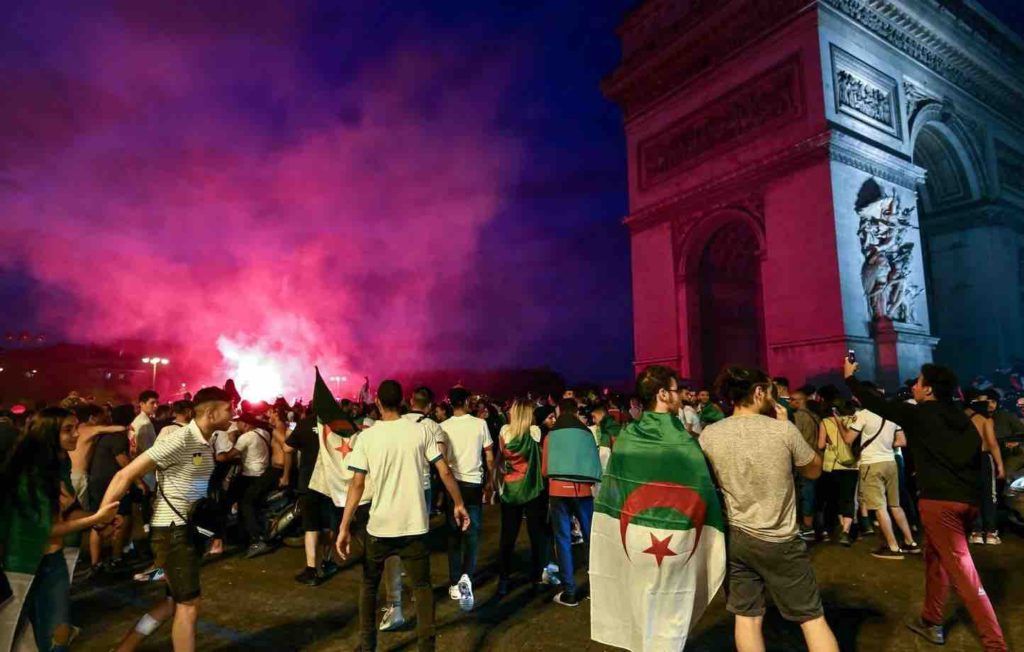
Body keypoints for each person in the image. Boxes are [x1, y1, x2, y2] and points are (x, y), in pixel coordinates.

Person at [845, 359, 1007, 650]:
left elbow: (876, 403)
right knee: (935, 559)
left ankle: (995, 644)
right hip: (967, 503)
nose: (914, 387)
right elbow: (974, 459)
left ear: (929, 389)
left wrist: (851, 379)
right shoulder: (963, 418)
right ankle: (931, 621)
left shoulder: (919, 414)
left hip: (939, 505)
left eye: (918, 383)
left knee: (965, 576)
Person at [700, 367, 838, 652]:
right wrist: (787, 427)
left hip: (736, 538)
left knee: (747, 618)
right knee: (811, 618)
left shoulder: (710, 434)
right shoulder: (782, 430)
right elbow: (814, 470)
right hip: (780, 538)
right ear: (758, 392)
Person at [336, 379, 470, 652]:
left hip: (379, 527)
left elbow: (357, 485)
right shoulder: (420, 431)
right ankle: (426, 647)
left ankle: (367, 645)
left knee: (369, 585)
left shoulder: (367, 437)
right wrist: (458, 503)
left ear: (377, 402)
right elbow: (444, 470)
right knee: (422, 587)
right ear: (402, 402)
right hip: (414, 526)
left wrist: (344, 526)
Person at [101, 386, 232, 652]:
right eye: (228, 409)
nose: (233, 413)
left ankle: (123, 649)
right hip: (172, 531)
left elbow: (194, 483)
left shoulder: (203, 442)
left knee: (174, 602)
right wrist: (102, 517)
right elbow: (125, 474)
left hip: (186, 530)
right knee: (188, 605)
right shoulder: (180, 439)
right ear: (210, 413)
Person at [0, 407, 119, 652]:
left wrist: (100, 522)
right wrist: (95, 518)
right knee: (12, 638)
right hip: (20, 564)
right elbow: (44, 529)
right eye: (68, 429)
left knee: (57, 639)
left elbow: (68, 510)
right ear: (48, 433)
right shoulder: (29, 472)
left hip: (53, 563)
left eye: (75, 427)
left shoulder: (60, 463)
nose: (77, 434)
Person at [543, 397, 602, 607]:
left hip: (558, 491)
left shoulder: (551, 436)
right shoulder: (587, 434)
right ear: (576, 412)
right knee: (590, 538)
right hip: (583, 491)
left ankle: (569, 592)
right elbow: (595, 466)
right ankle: (596, 588)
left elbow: (545, 469)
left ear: (559, 411)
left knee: (563, 539)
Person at [439, 387, 493, 611]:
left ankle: (454, 582)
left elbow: (441, 459)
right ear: (467, 401)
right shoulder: (480, 424)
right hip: (473, 483)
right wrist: (491, 480)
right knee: (472, 532)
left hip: (452, 484)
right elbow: (489, 455)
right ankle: (466, 576)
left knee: (453, 534)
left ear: (451, 403)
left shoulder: (443, 427)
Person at [849, 407, 920, 558]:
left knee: (879, 507)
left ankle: (892, 547)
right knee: (895, 505)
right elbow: (902, 441)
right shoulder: (892, 414)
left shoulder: (863, 414)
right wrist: (885, 445)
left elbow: (848, 439)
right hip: (890, 462)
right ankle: (910, 542)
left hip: (871, 464)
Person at [495, 400, 547, 597]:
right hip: (532, 487)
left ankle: (504, 579)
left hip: (510, 488)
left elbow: (501, 458)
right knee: (536, 535)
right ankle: (536, 578)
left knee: (507, 536)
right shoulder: (535, 432)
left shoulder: (504, 432)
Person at [817, 397, 859, 547]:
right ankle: (846, 531)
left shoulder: (825, 422)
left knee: (834, 498)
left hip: (832, 465)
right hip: (851, 465)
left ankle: (836, 527)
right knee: (848, 498)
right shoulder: (854, 420)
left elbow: (820, 445)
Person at [964, 399, 1005, 545]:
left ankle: (976, 532)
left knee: (974, 496)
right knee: (989, 495)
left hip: (969, 459)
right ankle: (991, 532)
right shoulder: (986, 420)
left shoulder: (965, 419)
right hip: (984, 458)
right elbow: (992, 444)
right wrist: (1000, 465)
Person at [790, 388, 822, 540]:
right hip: (817, 459)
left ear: (800, 401)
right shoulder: (815, 416)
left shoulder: (798, 417)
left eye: (793, 399)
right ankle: (816, 526)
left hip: (803, 461)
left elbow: (795, 440)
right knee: (813, 494)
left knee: (805, 495)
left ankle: (807, 528)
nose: (790, 402)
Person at [131, 390, 160, 493]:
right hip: (146, 466)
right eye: (152, 403)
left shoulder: (142, 420)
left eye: (157, 403)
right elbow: (145, 448)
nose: (156, 406)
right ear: (142, 404)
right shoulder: (143, 423)